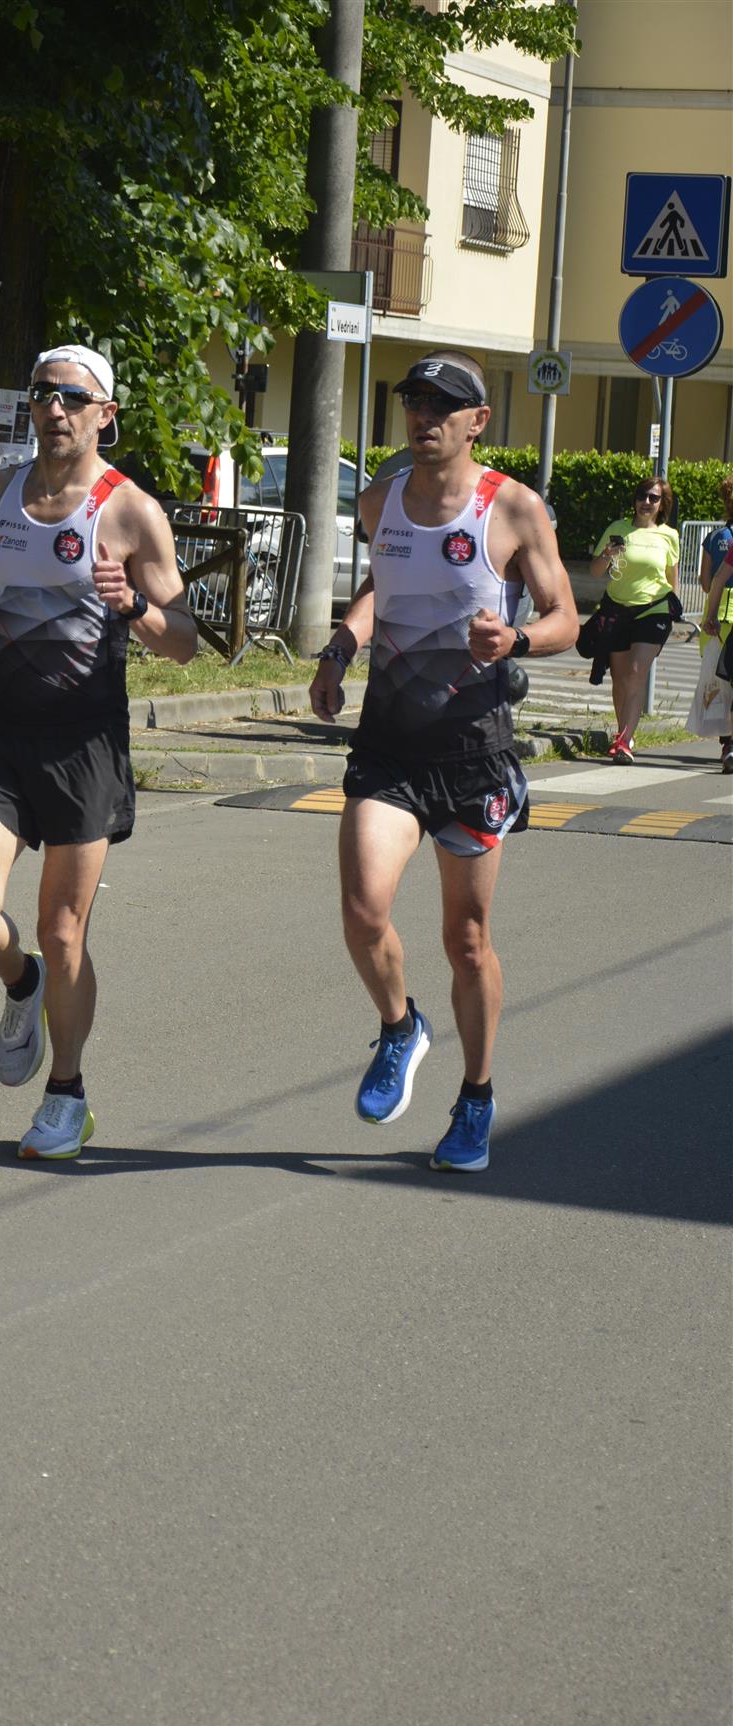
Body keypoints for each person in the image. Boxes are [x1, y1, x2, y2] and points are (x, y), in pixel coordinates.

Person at [309, 351, 578, 1173]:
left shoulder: (514, 508)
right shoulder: (380, 499)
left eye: (442, 405)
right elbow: (381, 587)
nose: (424, 417)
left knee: (467, 939)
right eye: (414, 402)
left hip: (472, 752)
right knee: (364, 909)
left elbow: (566, 617)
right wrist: (339, 648)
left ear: (477, 421)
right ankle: (400, 1027)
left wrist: (517, 639)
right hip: (390, 745)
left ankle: (476, 1096)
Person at [0, 346, 197, 1160]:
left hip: (85, 744)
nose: (54, 408)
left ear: (104, 415)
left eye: (73, 398)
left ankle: (67, 1095)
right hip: (1, 731)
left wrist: (135, 608)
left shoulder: (131, 513)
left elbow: (185, 640)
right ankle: (23, 981)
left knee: (63, 928)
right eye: (44, 393)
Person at [585, 477, 680, 764]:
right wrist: (607, 554)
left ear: (662, 503)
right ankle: (623, 732)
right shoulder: (618, 528)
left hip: (654, 610)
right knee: (620, 678)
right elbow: (595, 572)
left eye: (653, 498)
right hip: (617, 610)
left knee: (636, 671)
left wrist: (673, 609)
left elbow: (671, 578)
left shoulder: (669, 535)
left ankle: (624, 742)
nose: (646, 502)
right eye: (641, 496)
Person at [696, 474, 733, 771]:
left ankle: (728, 744)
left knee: (723, 683)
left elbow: (708, 582)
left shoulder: (716, 537)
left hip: (721, 614)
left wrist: (709, 615)